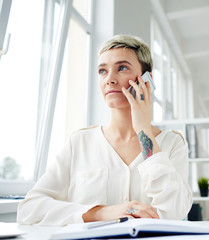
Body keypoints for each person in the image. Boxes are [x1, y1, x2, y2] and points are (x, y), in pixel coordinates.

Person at [17, 35, 193, 226]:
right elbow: (28, 210)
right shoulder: (80, 142)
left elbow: (174, 211)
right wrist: (101, 213)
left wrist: (143, 129)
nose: (109, 79)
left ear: (146, 78)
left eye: (122, 68)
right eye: (102, 71)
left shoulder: (173, 143)